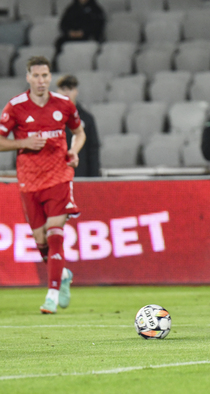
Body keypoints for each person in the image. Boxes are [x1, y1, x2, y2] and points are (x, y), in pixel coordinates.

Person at [0, 56, 86, 314]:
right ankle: (64, 275)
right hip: (29, 180)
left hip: (59, 176)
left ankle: (51, 295)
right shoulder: (15, 107)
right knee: (40, 239)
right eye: (36, 76)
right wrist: (22, 143)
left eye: (45, 76)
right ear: (28, 77)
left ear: (50, 77)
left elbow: (80, 132)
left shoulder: (64, 104)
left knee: (54, 232)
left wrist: (74, 150)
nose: (41, 81)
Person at [56, 75, 100, 177]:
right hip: (57, 175)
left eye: (70, 89)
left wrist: (94, 178)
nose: (67, 93)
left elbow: (93, 150)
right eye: (63, 89)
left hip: (80, 173)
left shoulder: (87, 118)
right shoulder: (50, 118)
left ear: (76, 91)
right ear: (57, 92)